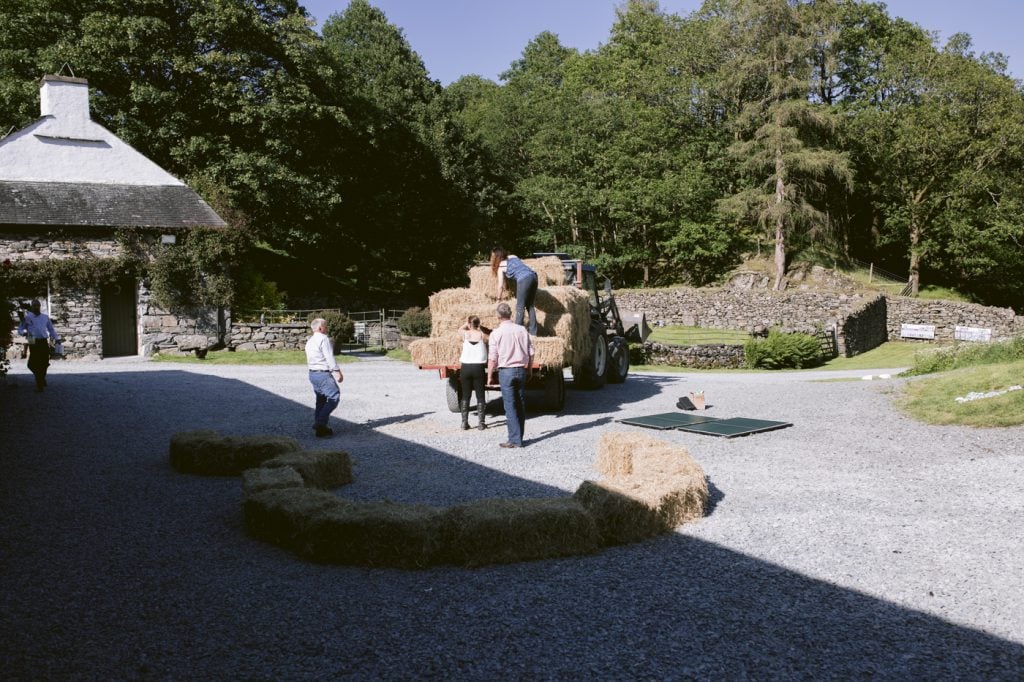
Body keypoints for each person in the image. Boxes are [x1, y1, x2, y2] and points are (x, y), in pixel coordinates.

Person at [487, 302, 534, 448]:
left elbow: (492, 358)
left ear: (498, 316)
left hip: (506, 371)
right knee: (520, 403)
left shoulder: (496, 333)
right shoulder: (522, 330)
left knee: (510, 405)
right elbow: (531, 352)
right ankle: (519, 437)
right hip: (521, 369)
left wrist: (489, 376)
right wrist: (529, 369)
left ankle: (514, 440)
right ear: (510, 314)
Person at [305, 318, 343, 438]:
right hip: (323, 374)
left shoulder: (310, 341)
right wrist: (337, 372)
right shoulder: (323, 339)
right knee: (334, 397)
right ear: (320, 328)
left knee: (320, 400)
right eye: (326, 326)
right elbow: (329, 357)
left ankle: (321, 430)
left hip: (312, 374)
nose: (327, 328)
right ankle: (320, 423)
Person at [491, 247, 538, 336]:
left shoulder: (501, 266)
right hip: (533, 276)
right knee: (530, 306)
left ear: (497, 257)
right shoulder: (513, 256)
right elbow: (519, 267)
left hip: (524, 279)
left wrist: (498, 300)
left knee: (520, 307)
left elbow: (500, 286)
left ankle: (517, 333)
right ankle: (533, 333)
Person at [16, 299, 61, 392]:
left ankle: (41, 378)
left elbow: (51, 329)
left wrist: (57, 338)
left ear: (40, 306)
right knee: (32, 364)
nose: (36, 307)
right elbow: (20, 329)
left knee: (45, 362)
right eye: (34, 305)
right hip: (32, 340)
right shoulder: (27, 318)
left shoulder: (45, 317)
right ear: (32, 307)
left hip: (43, 340)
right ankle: (40, 382)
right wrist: (24, 332)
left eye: (38, 305)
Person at [458, 315, 489, 431]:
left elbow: (459, 329)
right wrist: (480, 327)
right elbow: (490, 335)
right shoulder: (482, 336)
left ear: (469, 323)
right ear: (478, 324)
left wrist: (466, 324)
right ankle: (481, 423)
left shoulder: (465, 334)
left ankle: (464, 423)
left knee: (466, 395)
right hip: (478, 368)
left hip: (465, 367)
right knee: (480, 395)